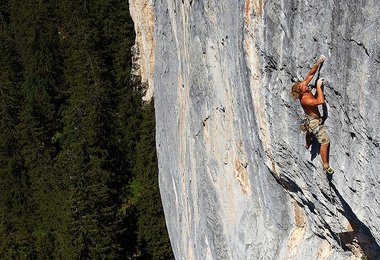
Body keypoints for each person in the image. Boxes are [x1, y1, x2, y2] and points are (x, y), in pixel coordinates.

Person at [291, 55, 334, 175]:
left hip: (310, 119)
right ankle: (326, 165)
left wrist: (318, 62)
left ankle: (308, 142)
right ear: (302, 91)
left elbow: (310, 75)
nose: (305, 84)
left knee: (310, 132)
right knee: (324, 142)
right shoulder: (305, 99)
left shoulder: (303, 88)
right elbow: (320, 101)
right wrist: (319, 87)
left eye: (302, 84)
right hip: (314, 122)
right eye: (303, 86)